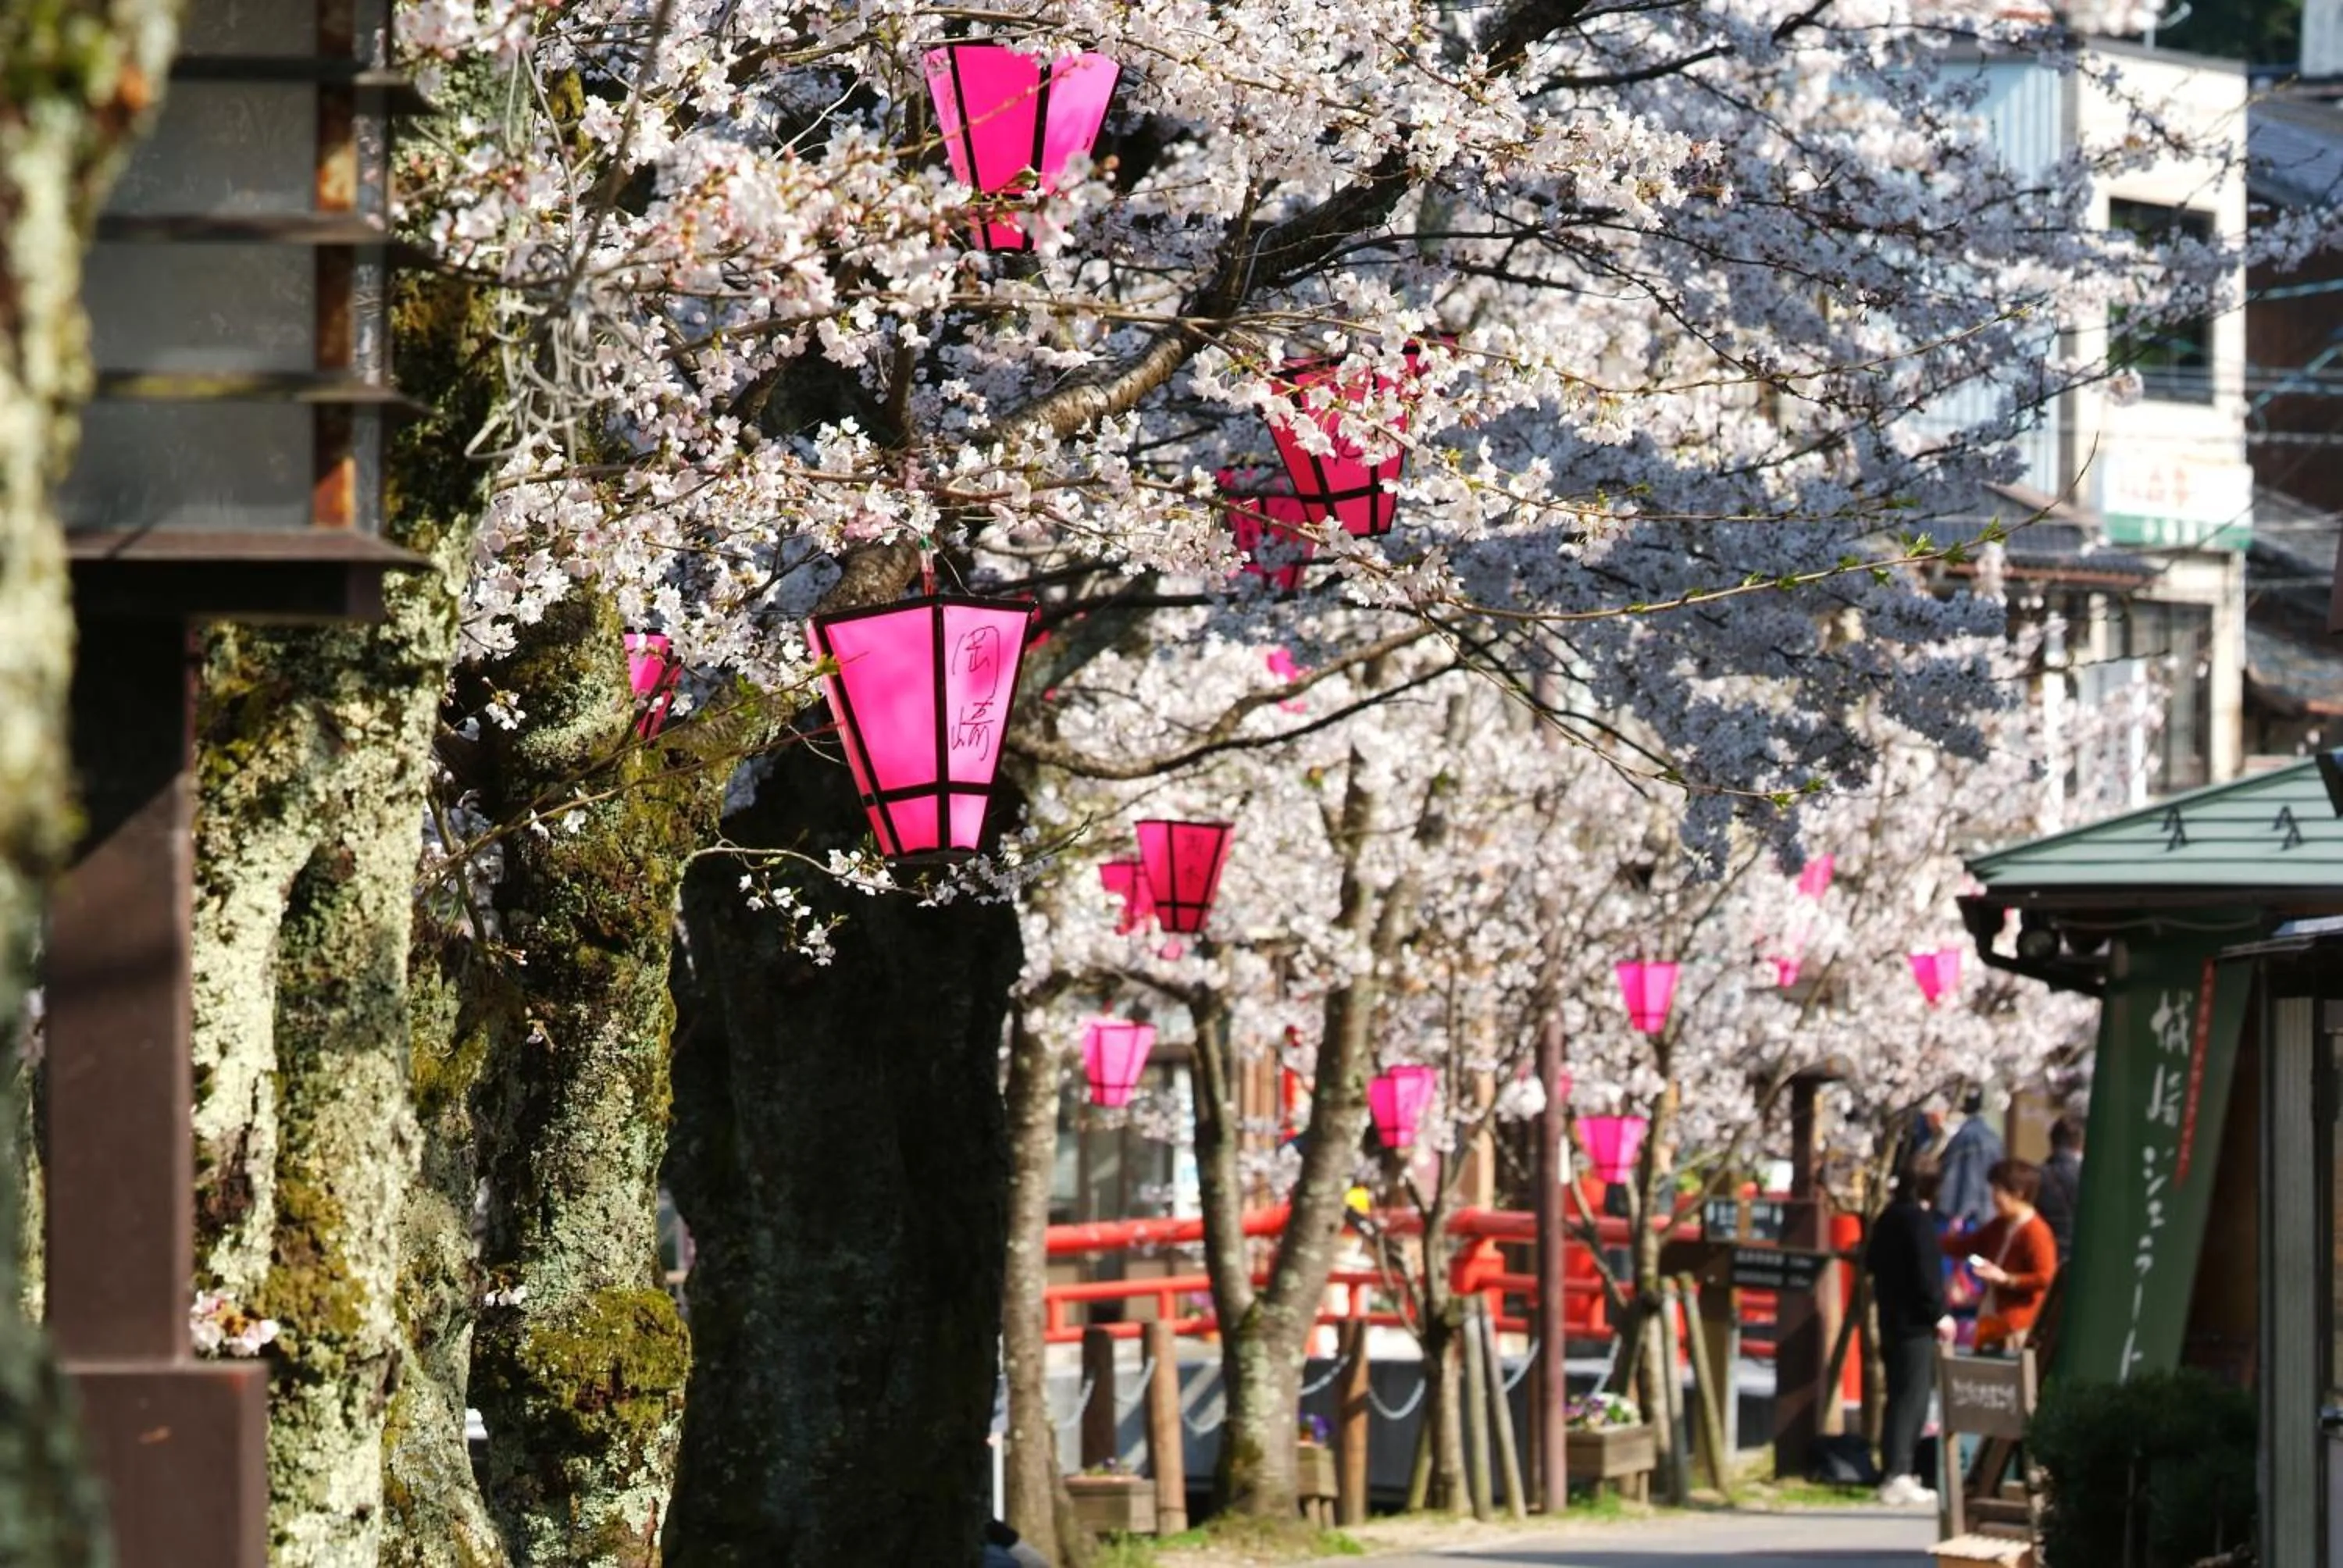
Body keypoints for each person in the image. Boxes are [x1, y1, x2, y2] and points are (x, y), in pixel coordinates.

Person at [1867, 1152, 1955, 1509]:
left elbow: (1871, 1262)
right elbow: (1927, 1275)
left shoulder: (1888, 1217)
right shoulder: (1918, 1221)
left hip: (1890, 1317)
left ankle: (1895, 1468)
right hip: (1916, 1323)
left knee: (1897, 1396)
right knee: (1912, 1397)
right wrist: (1940, 1313)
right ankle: (1899, 1473)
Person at [1942, 1158, 2058, 1353]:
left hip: (2016, 1325)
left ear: (2019, 1193)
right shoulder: (1999, 1225)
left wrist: (2007, 1279)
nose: (1994, 1198)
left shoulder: (2036, 1232)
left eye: (1999, 1191)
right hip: (1991, 1320)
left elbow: (2045, 1277)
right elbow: (1965, 1246)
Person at [1935, 1088, 2006, 1233]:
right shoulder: (1994, 1138)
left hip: (1964, 1214)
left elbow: (1957, 1178)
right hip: (1989, 1210)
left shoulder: (1962, 1137)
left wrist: (1956, 1213)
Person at [2037, 1114, 2084, 1264]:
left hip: (2046, 1253)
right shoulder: (2091, 1176)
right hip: (2081, 1254)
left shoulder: (2037, 1175)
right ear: (2080, 1143)